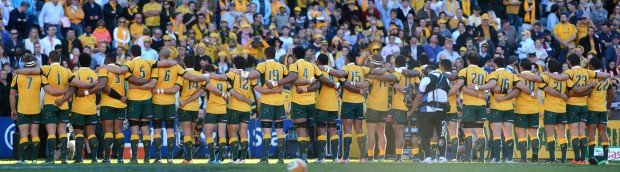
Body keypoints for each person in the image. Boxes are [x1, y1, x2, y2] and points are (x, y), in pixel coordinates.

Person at [99, 45, 179, 163]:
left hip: (134, 99)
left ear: (131, 53)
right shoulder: (148, 62)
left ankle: (135, 158)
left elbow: (121, 71)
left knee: (134, 128)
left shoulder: (130, 63)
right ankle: (147, 158)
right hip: (147, 100)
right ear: (140, 52)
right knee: (145, 127)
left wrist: (104, 66)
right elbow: (166, 63)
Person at [12, 51, 94, 164]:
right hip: (64, 105)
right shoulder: (67, 71)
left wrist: (16, 70)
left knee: (51, 132)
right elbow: (80, 84)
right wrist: (92, 84)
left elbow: (32, 72)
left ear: (50, 59)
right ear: (59, 59)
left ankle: (50, 159)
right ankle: (64, 158)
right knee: (62, 132)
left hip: (50, 105)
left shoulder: (46, 69)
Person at [469, 57, 535, 163]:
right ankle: (509, 159)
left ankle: (497, 158)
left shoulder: (494, 74)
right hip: (509, 108)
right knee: (508, 134)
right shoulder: (511, 75)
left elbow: (492, 86)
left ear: (495, 64)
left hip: (497, 108)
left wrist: (476, 87)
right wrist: (532, 93)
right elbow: (521, 87)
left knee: (496, 134)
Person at [555, 54, 611, 164]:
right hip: (592, 107)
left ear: (570, 62)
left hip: (579, 106)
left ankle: (580, 158)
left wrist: (571, 95)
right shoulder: (588, 73)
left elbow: (580, 90)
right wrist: (608, 107)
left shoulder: (570, 73)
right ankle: (605, 158)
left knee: (578, 132)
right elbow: (610, 91)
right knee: (596, 133)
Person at [10, 54, 61, 164]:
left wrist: (13, 110)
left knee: (23, 135)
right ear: (35, 63)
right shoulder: (41, 76)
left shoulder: (17, 76)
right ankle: (34, 159)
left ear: (24, 63)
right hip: (36, 109)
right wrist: (64, 92)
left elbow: (12, 95)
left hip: (22, 108)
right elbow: (50, 90)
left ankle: (23, 160)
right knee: (35, 134)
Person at [54, 53, 103, 163]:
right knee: (91, 134)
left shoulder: (76, 74)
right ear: (90, 63)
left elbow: (71, 90)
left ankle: (79, 158)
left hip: (78, 109)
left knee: (79, 134)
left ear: (79, 62)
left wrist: (62, 100)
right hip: (91, 109)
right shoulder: (95, 75)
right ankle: (94, 158)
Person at [408, 60, 450, 163]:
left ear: (428, 71)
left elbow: (418, 98)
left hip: (427, 110)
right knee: (441, 134)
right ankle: (442, 157)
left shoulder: (426, 79)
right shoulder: (446, 79)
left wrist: (412, 111)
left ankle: (428, 157)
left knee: (425, 135)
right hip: (442, 111)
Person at [254, 47, 289, 164]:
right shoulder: (282, 67)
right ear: (275, 55)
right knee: (280, 131)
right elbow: (289, 79)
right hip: (279, 103)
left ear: (265, 55)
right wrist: (279, 88)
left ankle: (265, 158)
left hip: (267, 102)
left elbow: (255, 76)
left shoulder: (262, 65)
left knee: (267, 131)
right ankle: (281, 158)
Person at [451, 53, 488, 162]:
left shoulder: (464, 71)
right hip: (481, 105)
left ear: (467, 60)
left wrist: (450, 92)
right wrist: (481, 94)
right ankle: (482, 159)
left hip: (469, 105)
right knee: (481, 133)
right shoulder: (484, 72)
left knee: (468, 133)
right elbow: (487, 89)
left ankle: (468, 158)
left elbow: (459, 86)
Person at [176, 55, 210, 164]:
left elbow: (177, 89)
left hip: (184, 106)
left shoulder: (182, 75)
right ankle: (189, 159)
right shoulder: (199, 75)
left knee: (186, 134)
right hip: (195, 107)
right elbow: (203, 90)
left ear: (184, 63)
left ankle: (188, 159)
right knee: (191, 134)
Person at [311, 53, 343, 163]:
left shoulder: (319, 72)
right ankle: (335, 158)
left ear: (319, 61)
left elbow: (317, 84)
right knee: (333, 131)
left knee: (321, 131)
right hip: (334, 106)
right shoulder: (334, 73)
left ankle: (321, 158)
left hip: (322, 105)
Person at [225, 56, 257, 164]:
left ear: (234, 65)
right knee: (243, 133)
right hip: (246, 109)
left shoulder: (231, 74)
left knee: (233, 134)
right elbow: (256, 89)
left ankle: (235, 158)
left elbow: (224, 83)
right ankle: (243, 159)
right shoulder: (249, 76)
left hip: (234, 108)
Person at [586, 57, 614, 165]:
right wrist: (608, 107)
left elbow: (587, 92)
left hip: (592, 108)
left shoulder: (590, 77)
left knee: (591, 132)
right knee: (603, 133)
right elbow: (611, 94)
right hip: (603, 109)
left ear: (591, 66)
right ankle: (606, 159)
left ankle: (591, 158)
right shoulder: (606, 78)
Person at [202, 64, 228, 164]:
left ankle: (212, 158)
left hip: (212, 109)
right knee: (222, 135)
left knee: (208, 134)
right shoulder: (223, 80)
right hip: (222, 109)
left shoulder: (207, 79)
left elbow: (207, 90)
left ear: (207, 72)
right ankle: (219, 159)